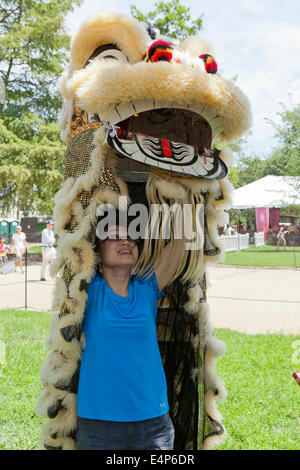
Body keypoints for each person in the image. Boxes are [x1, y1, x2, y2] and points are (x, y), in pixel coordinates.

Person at [76, 220, 186, 450]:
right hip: (99, 425)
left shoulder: (147, 288)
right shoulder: (86, 292)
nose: (126, 241)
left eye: (130, 238)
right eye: (114, 237)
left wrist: (186, 197)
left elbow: (181, 242)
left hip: (153, 423)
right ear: (96, 255)